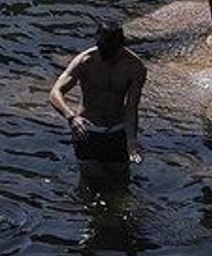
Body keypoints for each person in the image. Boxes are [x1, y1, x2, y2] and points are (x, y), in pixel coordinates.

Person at [51, 22, 147, 185]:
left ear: (121, 45)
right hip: (87, 130)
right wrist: (71, 117)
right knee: (89, 181)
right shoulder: (85, 61)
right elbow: (55, 92)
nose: (107, 55)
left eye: (112, 51)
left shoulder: (135, 67)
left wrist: (131, 140)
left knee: (121, 183)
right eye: (103, 49)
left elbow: (131, 107)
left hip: (116, 131)